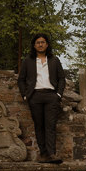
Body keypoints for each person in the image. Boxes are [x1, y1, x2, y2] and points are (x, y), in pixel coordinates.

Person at [18, 33, 66, 164]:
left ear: (47, 44)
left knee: (50, 125)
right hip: (35, 96)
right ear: (34, 45)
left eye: (43, 42)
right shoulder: (28, 61)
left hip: (51, 96)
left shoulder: (54, 60)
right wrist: (25, 95)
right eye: (38, 42)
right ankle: (43, 154)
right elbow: (21, 80)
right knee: (39, 126)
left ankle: (52, 154)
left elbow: (62, 78)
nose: (40, 44)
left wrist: (59, 95)